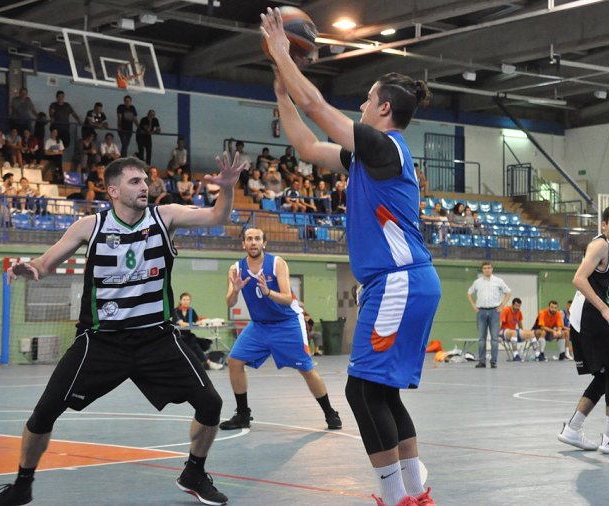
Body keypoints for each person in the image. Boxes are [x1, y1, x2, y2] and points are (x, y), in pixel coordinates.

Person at [0, 154, 246, 506]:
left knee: (211, 404)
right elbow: (44, 264)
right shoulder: (89, 227)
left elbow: (217, 216)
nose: (145, 187)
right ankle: (21, 485)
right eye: (135, 182)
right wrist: (30, 268)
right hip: (101, 340)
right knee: (44, 412)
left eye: (146, 181)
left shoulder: (164, 217)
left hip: (157, 336)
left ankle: (194, 472)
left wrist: (226, 190)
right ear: (113, 190)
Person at [263, 8, 441, 505]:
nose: (362, 105)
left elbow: (318, 106)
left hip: (399, 282)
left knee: (361, 393)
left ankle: (397, 496)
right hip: (405, 282)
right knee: (381, 393)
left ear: (383, 109)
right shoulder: (368, 155)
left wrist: (282, 54)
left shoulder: (386, 146)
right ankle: (416, 492)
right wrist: (282, 93)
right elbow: (303, 141)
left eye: (367, 99)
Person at [219, 227, 342, 431]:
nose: (253, 242)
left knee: (306, 369)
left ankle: (330, 412)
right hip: (259, 326)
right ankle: (242, 414)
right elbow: (230, 302)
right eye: (249, 239)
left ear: (264, 243)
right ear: (243, 244)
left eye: (257, 238)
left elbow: (287, 298)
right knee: (234, 361)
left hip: (287, 324)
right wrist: (236, 291)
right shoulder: (236, 269)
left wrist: (268, 292)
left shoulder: (277, 263)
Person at [557, 203, 609, 455]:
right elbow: (579, 279)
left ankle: (573, 429)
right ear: (604, 225)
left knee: (605, 375)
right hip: (590, 318)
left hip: (590, 316)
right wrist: (606, 310)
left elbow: (597, 284)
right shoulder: (600, 245)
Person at [467, 261, 511, 368]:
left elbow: (508, 292)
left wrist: (502, 306)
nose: (487, 270)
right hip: (481, 311)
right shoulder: (477, 282)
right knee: (481, 338)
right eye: (485, 268)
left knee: (494, 338)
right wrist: (473, 305)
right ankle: (482, 361)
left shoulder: (498, 281)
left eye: (489, 268)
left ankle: (493, 361)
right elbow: (469, 293)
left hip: (494, 311)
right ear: (482, 270)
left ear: (492, 269)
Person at [173, 292, 217, 370]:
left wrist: (201, 322)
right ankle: (207, 362)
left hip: (188, 334)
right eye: (184, 299)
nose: (186, 301)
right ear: (180, 301)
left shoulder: (191, 310)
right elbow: (181, 323)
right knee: (195, 343)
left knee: (195, 342)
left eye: (188, 300)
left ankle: (203, 363)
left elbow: (196, 321)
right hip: (178, 335)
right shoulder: (176, 311)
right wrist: (193, 324)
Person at [499, 298, 535, 362]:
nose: (517, 308)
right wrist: (497, 335)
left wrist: (523, 333)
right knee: (514, 333)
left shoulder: (519, 312)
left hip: (514, 331)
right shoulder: (506, 310)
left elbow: (520, 324)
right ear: (512, 305)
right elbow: (499, 323)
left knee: (531, 333)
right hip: (504, 331)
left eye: (519, 306)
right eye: (516, 306)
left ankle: (538, 354)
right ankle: (516, 355)